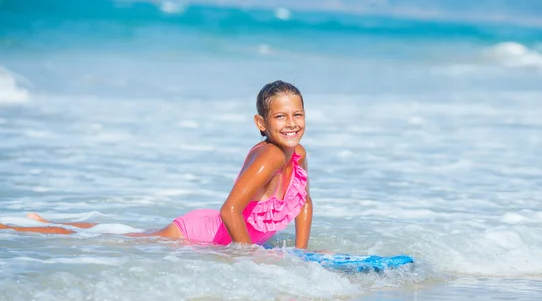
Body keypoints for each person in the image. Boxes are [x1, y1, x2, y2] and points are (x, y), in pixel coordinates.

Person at [0, 80, 313, 249]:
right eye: (280, 116)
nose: (291, 124)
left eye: (297, 115)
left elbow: (304, 202)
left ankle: (38, 220)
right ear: (261, 122)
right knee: (114, 240)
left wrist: (301, 251)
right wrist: (250, 259)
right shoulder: (269, 155)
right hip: (201, 233)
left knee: (125, 232)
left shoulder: (298, 153)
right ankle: (18, 226)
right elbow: (229, 210)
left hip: (214, 230)